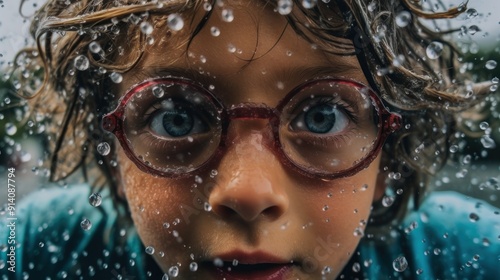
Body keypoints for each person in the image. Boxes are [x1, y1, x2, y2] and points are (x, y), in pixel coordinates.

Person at [1, 0, 498, 279]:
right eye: (175, 119)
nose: (247, 192)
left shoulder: (464, 256)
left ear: (386, 156)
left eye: (323, 117)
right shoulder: (34, 253)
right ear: (114, 158)